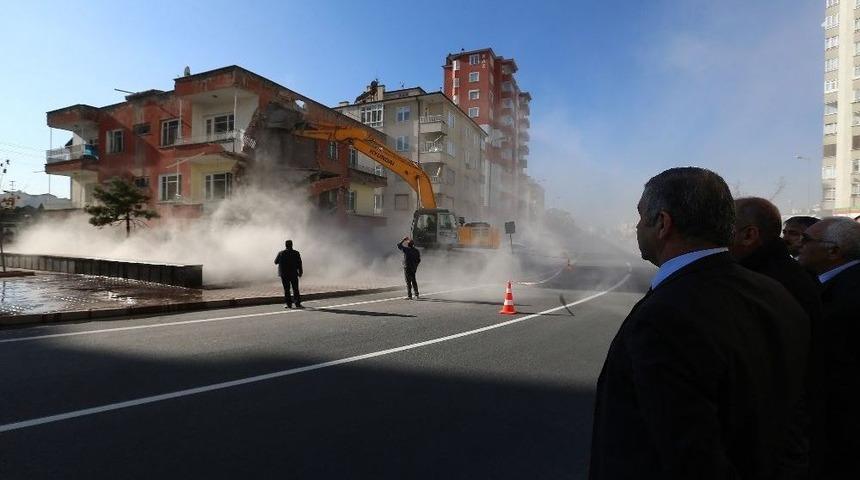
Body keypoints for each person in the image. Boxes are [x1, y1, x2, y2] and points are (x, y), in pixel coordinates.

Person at [589, 167, 810, 479]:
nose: (637, 227)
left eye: (641, 217)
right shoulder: (773, 293)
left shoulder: (665, 316)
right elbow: (794, 415)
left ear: (663, 223)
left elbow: (688, 454)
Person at [729, 197, 823, 477]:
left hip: (770, 434)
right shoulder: (776, 273)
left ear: (749, 235)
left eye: (724, 230)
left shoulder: (768, 283)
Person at [797, 217, 860, 478]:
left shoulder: (847, 297)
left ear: (833, 251)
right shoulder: (838, 284)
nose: (799, 244)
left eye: (807, 240)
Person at [274, 239, 303, 309]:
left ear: (285, 245)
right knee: (295, 289)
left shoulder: (281, 253)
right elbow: (299, 263)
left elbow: (275, 262)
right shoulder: (296, 253)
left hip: (284, 274)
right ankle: (297, 304)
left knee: (287, 289)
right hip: (293, 273)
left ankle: (289, 304)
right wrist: (300, 272)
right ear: (292, 245)